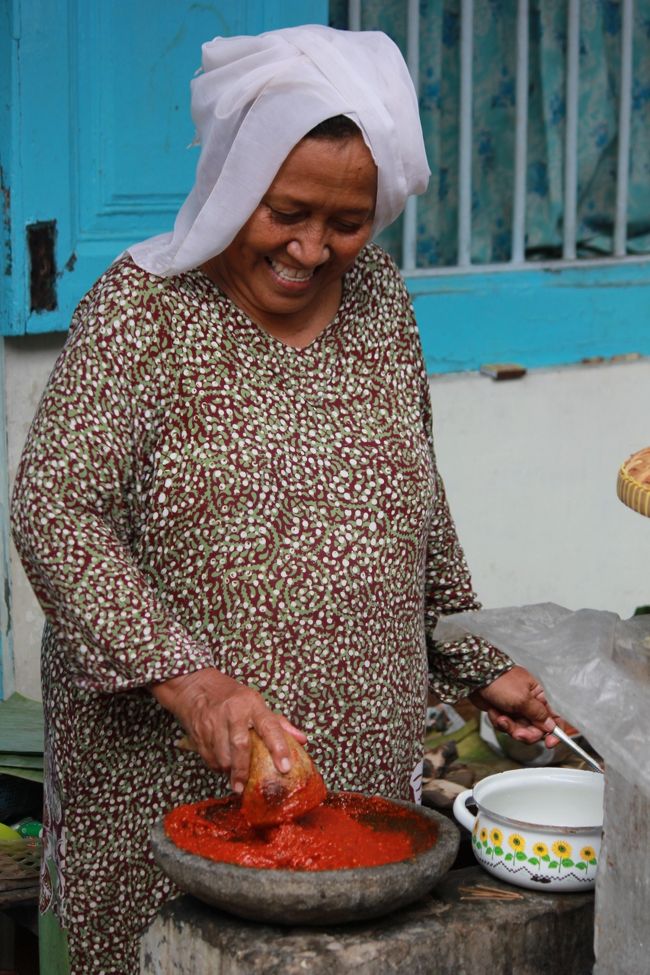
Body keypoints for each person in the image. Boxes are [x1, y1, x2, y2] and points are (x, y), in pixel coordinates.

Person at [11, 25, 558, 975]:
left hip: (357, 776)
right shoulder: (143, 309)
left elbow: (415, 497)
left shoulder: (381, 300)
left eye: (347, 222)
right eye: (286, 210)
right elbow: (54, 509)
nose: (311, 247)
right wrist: (194, 684)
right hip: (170, 784)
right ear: (234, 178)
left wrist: (477, 658)